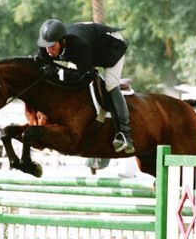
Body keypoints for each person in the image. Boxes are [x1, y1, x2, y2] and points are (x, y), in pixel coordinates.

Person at [36, 19, 134, 154]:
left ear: (62, 41)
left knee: (111, 84)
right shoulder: (46, 45)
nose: (48, 50)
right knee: (66, 74)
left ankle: (124, 133)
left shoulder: (79, 46)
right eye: (46, 46)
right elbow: (41, 68)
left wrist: (59, 74)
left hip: (109, 44)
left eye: (52, 46)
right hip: (88, 41)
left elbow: (86, 79)